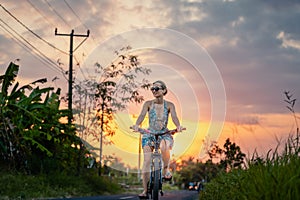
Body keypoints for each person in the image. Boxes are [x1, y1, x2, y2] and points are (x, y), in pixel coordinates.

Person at [131, 80, 183, 198]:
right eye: (152, 89)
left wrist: (178, 126)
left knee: (164, 146)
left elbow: (174, 116)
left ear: (164, 90)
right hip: (149, 134)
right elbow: (142, 115)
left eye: (157, 88)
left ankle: (165, 169)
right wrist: (137, 125)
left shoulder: (170, 105)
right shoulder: (148, 104)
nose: (154, 91)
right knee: (147, 161)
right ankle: (145, 191)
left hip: (164, 133)